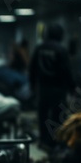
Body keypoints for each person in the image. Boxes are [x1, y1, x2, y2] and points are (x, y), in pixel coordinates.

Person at [29, 22, 75, 151]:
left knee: (43, 116)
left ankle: (44, 141)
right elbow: (67, 71)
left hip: (43, 89)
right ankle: (55, 142)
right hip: (58, 89)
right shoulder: (61, 50)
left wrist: (33, 86)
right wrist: (72, 88)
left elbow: (32, 69)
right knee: (57, 116)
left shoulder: (39, 48)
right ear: (60, 35)